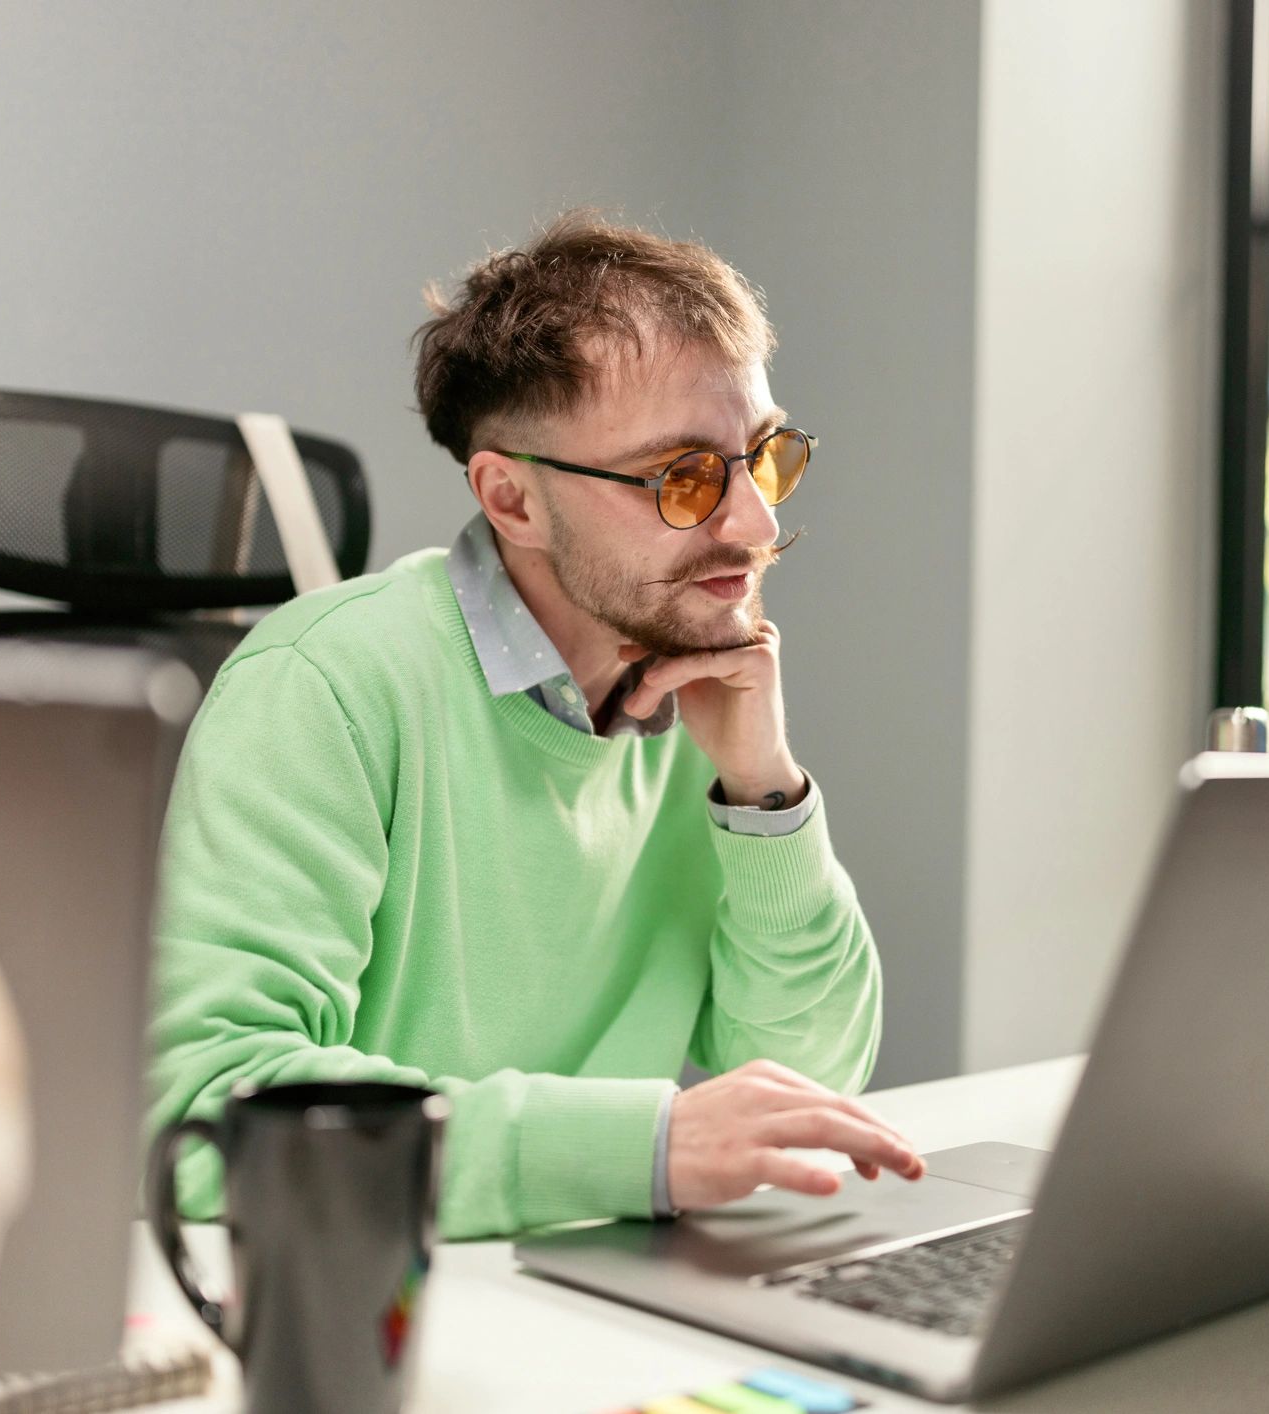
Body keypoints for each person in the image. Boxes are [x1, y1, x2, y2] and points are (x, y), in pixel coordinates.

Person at [150, 210, 923, 1240]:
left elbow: (807, 1076)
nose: (755, 524)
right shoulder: (325, 683)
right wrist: (636, 1150)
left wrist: (762, 792)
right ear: (509, 499)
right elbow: (209, 1107)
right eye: (681, 479)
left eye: (761, 459)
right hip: (370, 1298)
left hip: (588, 1286)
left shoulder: (688, 690)